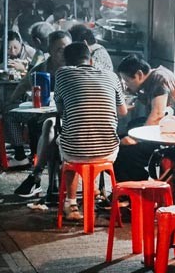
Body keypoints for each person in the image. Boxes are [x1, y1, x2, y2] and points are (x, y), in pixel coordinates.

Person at [52, 42, 127, 221]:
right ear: (91, 60)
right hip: (108, 151)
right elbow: (123, 111)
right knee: (87, 142)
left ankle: (71, 203)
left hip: (75, 150)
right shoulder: (111, 76)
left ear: (67, 62)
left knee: (66, 144)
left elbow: (60, 109)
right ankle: (92, 189)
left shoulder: (62, 74)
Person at [10, 30, 72, 194]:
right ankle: (46, 181)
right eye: (58, 49)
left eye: (66, 48)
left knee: (51, 129)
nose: (63, 53)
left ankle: (38, 177)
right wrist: (15, 99)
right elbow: (22, 87)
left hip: (70, 120)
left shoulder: (75, 68)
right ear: (50, 50)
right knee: (44, 126)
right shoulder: (41, 70)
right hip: (46, 117)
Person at [113, 55, 175, 182]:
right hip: (167, 128)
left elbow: (157, 114)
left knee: (123, 153)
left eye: (127, 81)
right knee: (125, 133)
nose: (127, 86)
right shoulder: (156, 75)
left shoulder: (159, 79)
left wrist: (135, 139)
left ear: (139, 74)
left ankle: (138, 188)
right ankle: (133, 185)